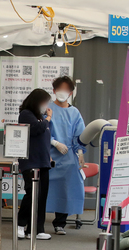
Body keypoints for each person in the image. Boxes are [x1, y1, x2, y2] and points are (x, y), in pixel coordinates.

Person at [46, 76, 86, 234]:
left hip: (69, 159)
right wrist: (54, 142)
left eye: (66, 90)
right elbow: (42, 129)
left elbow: (80, 135)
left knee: (65, 189)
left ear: (70, 93)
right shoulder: (47, 109)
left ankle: (59, 223)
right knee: (46, 189)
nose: (63, 93)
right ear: (54, 91)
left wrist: (80, 151)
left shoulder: (74, 112)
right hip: (50, 156)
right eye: (60, 89)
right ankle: (37, 224)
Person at [17, 89, 53, 240]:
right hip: (31, 161)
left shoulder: (39, 117)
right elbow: (36, 130)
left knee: (41, 196)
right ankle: (20, 224)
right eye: (44, 102)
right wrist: (48, 118)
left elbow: (44, 138)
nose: (46, 106)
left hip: (43, 161)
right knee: (31, 193)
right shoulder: (26, 114)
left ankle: (37, 229)